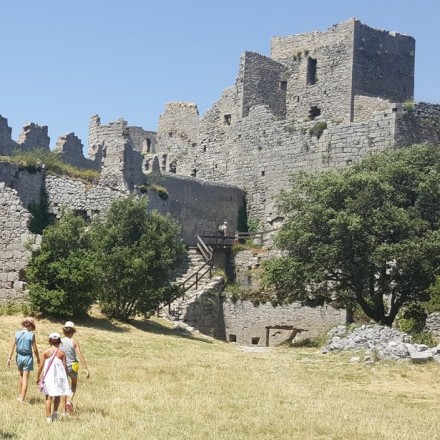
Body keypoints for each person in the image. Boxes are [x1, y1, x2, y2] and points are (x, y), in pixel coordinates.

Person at [35, 332, 71, 423]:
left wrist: (38, 377)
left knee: (48, 397)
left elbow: (41, 366)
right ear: (59, 342)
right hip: (59, 378)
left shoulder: (46, 352)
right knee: (57, 395)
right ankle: (55, 413)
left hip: (48, 378)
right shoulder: (62, 353)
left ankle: (48, 418)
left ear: (50, 341)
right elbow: (65, 368)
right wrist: (66, 379)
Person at [6, 317, 40, 404]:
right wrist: (38, 359)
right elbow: (35, 349)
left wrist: (9, 358)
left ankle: (20, 395)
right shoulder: (31, 335)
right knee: (25, 378)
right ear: (31, 326)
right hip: (27, 357)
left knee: (21, 376)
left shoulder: (17, 333)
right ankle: (22, 399)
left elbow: (12, 346)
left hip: (19, 357)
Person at [60, 321, 90, 415]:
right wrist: (86, 368)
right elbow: (80, 355)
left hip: (62, 366)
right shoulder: (74, 342)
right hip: (73, 366)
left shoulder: (59, 341)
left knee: (64, 388)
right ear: (73, 332)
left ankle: (63, 411)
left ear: (64, 331)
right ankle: (70, 400)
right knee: (73, 384)